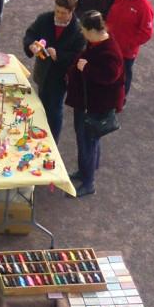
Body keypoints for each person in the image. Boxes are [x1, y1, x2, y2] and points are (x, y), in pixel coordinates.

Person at [64, 10, 125, 198]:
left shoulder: (110, 52)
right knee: (90, 140)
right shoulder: (99, 43)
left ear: (92, 30)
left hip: (94, 106)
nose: (82, 33)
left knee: (87, 142)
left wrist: (86, 68)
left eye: (83, 29)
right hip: (87, 102)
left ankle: (88, 182)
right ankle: (86, 171)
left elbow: (109, 76)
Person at [22, 0, 85, 143]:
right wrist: (31, 45)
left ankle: (52, 143)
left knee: (55, 110)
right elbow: (30, 34)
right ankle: (38, 138)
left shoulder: (78, 30)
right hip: (43, 73)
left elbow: (79, 55)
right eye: (57, 11)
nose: (58, 15)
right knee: (41, 105)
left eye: (63, 13)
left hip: (60, 77)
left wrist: (59, 56)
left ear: (72, 12)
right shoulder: (44, 19)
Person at [106, 0, 154, 96]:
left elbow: (146, 33)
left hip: (126, 52)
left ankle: (121, 100)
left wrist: (128, 44)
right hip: (111, 44)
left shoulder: (144, 7)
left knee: (123, 77)